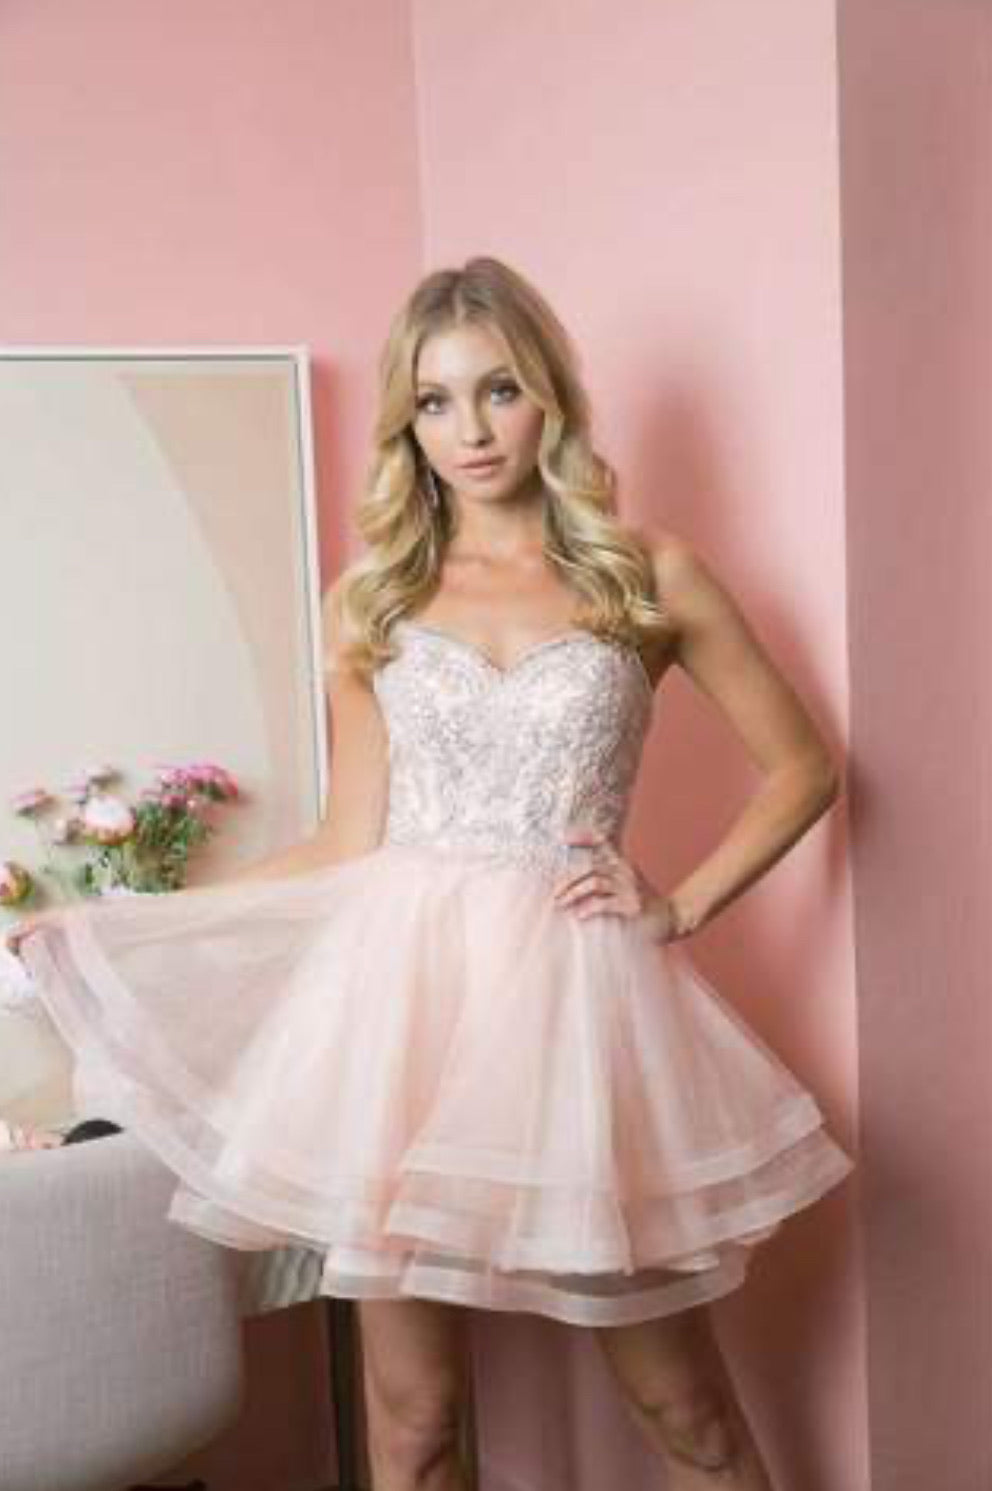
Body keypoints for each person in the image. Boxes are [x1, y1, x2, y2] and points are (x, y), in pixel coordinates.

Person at [7, 256, 854, 1490]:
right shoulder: (374, 600)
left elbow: (802, 769)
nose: (471, 430)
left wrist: (679, 904)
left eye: (498, 390)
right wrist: (116, 927)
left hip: (575, 1017)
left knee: (688, 1417)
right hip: (394, 1026)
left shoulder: (644, 574)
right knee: (412, 1429)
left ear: (548, 397)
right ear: (406, 424)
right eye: (435, 402)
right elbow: (348, 841)